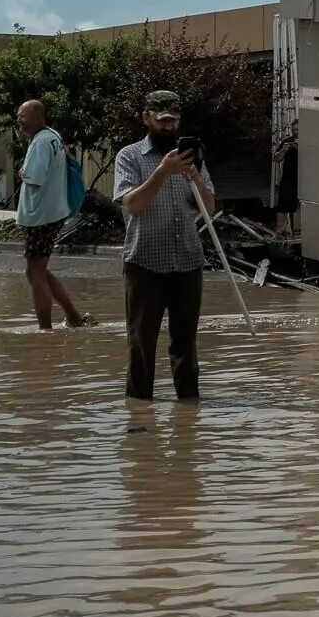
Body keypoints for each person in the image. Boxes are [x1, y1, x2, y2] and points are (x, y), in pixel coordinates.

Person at [112, 90, 218, 401]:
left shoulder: (190, 157)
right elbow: (131, 204)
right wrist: (161, 173)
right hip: (144, 264)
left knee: (185, 344)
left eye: (173, 121)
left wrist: (195, 178)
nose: (168, 127)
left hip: (187, 261)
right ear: (147, 118)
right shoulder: (129, 156)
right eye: (161, 121)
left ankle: (188, 412)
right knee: (141, 343)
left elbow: (209, 207)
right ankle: (139, 409)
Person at [16, 99, 91, 330]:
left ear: (39, 119)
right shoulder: (53, 135)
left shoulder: (40, 143)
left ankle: (45, 330)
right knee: (38, 269)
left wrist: (22, 171)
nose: (20, 122)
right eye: (18, 116)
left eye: (23, 117)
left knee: (34, 273)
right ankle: (73, 317)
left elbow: (34, 179)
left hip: (43, 215)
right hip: (53, 212)